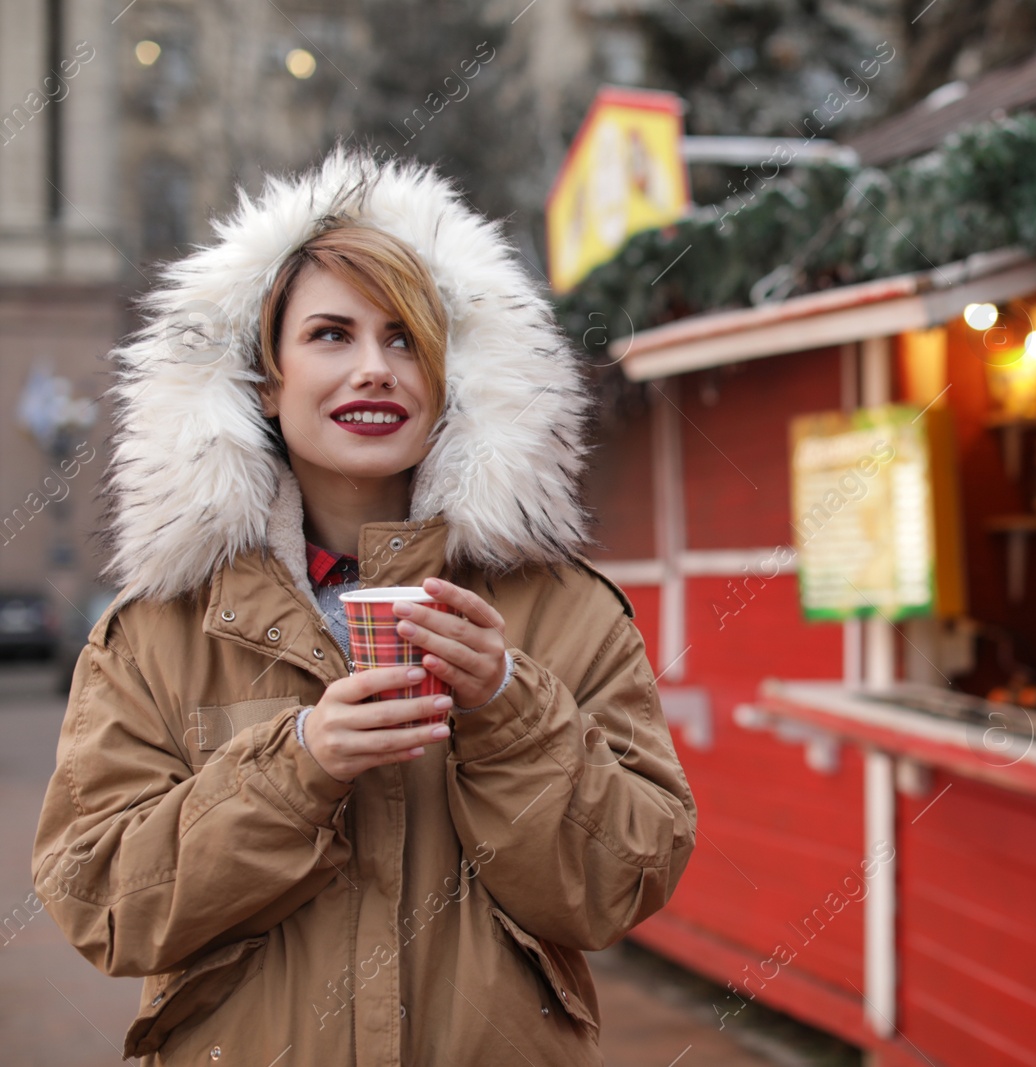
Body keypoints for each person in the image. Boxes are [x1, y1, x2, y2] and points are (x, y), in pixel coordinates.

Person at [31, 151, 696, 1065]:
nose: (374, 370)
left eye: (404, 338)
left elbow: (623, 881)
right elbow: (102, 900)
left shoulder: (563, 614)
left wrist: (508, 709)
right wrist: (295, 766)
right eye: (332, 336)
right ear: (265, 382)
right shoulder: (156, 634)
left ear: (451, 375)